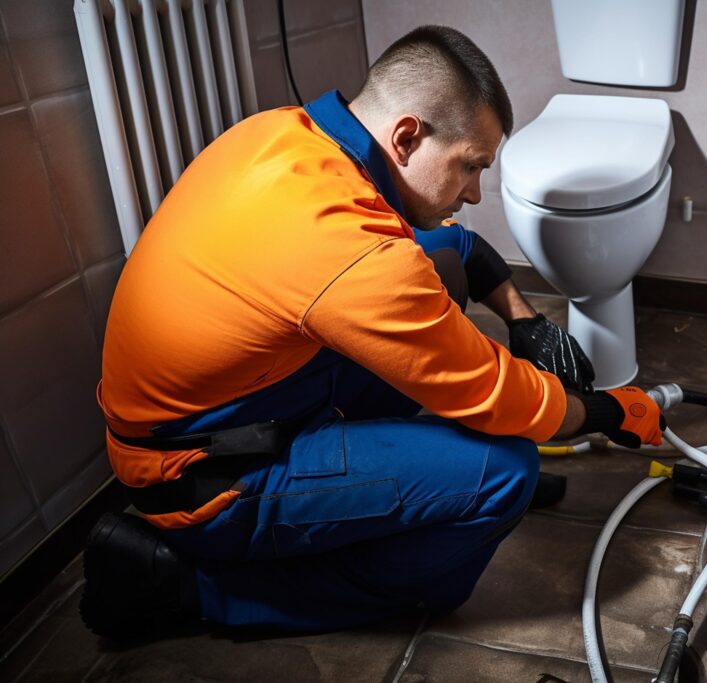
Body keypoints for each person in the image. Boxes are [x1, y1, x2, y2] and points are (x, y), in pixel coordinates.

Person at [81, 25, 665, 637]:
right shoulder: (352, 253)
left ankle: (428, 481)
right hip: (203, 482)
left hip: (221, 411)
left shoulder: (283, 134)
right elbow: (495, 392)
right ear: (408, 135)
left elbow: (456, 248)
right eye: (469, 165)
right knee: (504, 475)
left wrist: (526, 320)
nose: (473, 192)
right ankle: (193, 586)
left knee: (440, 267)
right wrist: (603, 412)